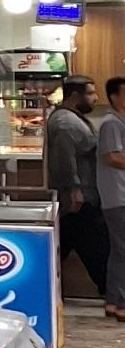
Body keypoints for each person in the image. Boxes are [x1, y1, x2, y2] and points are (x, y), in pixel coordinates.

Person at [47, 75, 109, 305]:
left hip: (82, 197)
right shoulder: (66, 123)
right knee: (96, 247)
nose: (95, 97)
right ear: (75, 96)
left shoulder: (73, 119)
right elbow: (64, 159)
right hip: (78, 198)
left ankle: (110, 290)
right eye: (91, 93)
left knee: (72, 245)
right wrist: (73, 189)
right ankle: (111, 292)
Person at [96, 75, 125, 323]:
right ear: (115, 96)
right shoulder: (111, 123)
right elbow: (112, 157)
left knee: (119, 250)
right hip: (118, 195)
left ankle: (114, 302)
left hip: (120, 195)